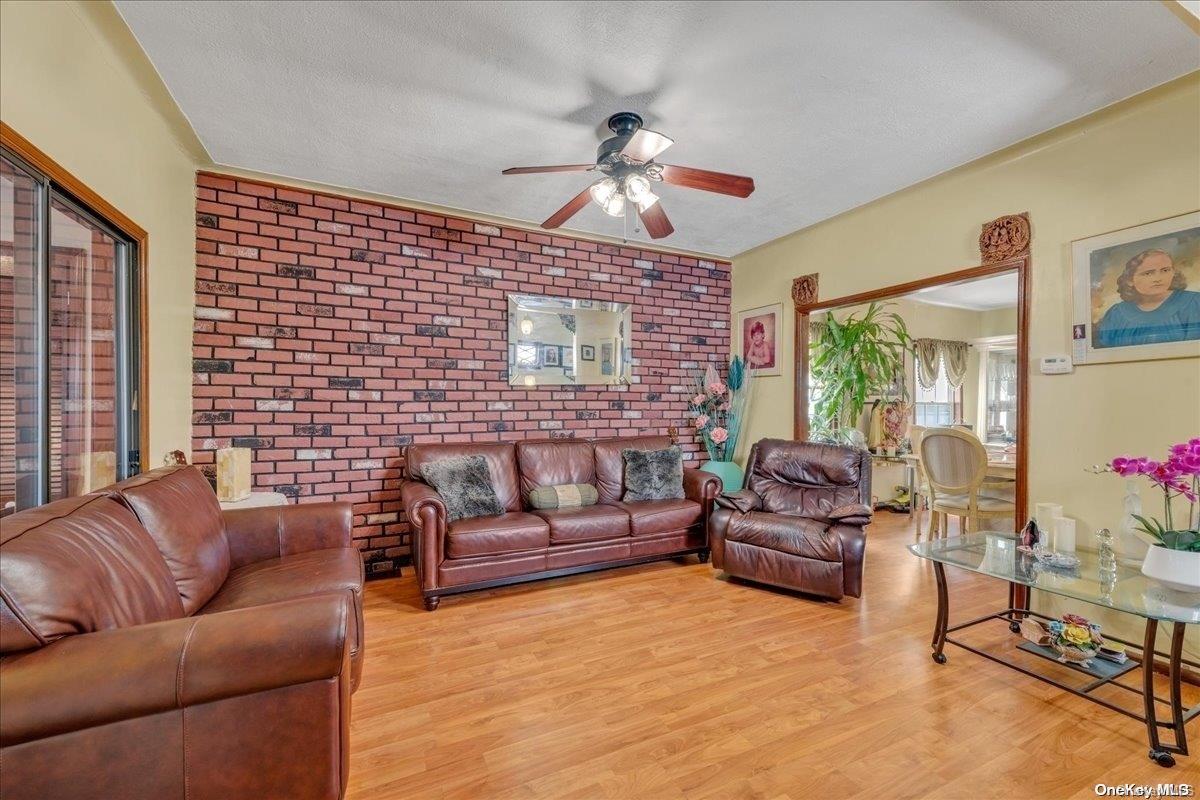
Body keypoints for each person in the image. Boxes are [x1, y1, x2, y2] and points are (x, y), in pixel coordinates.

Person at [1095, 248, 1200, 348]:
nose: (1158, 278)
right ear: (1130, 280)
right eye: (1148, 273)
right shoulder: (1117, 313)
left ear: (1173, 273)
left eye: (1165, 270)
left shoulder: (1193, 303)